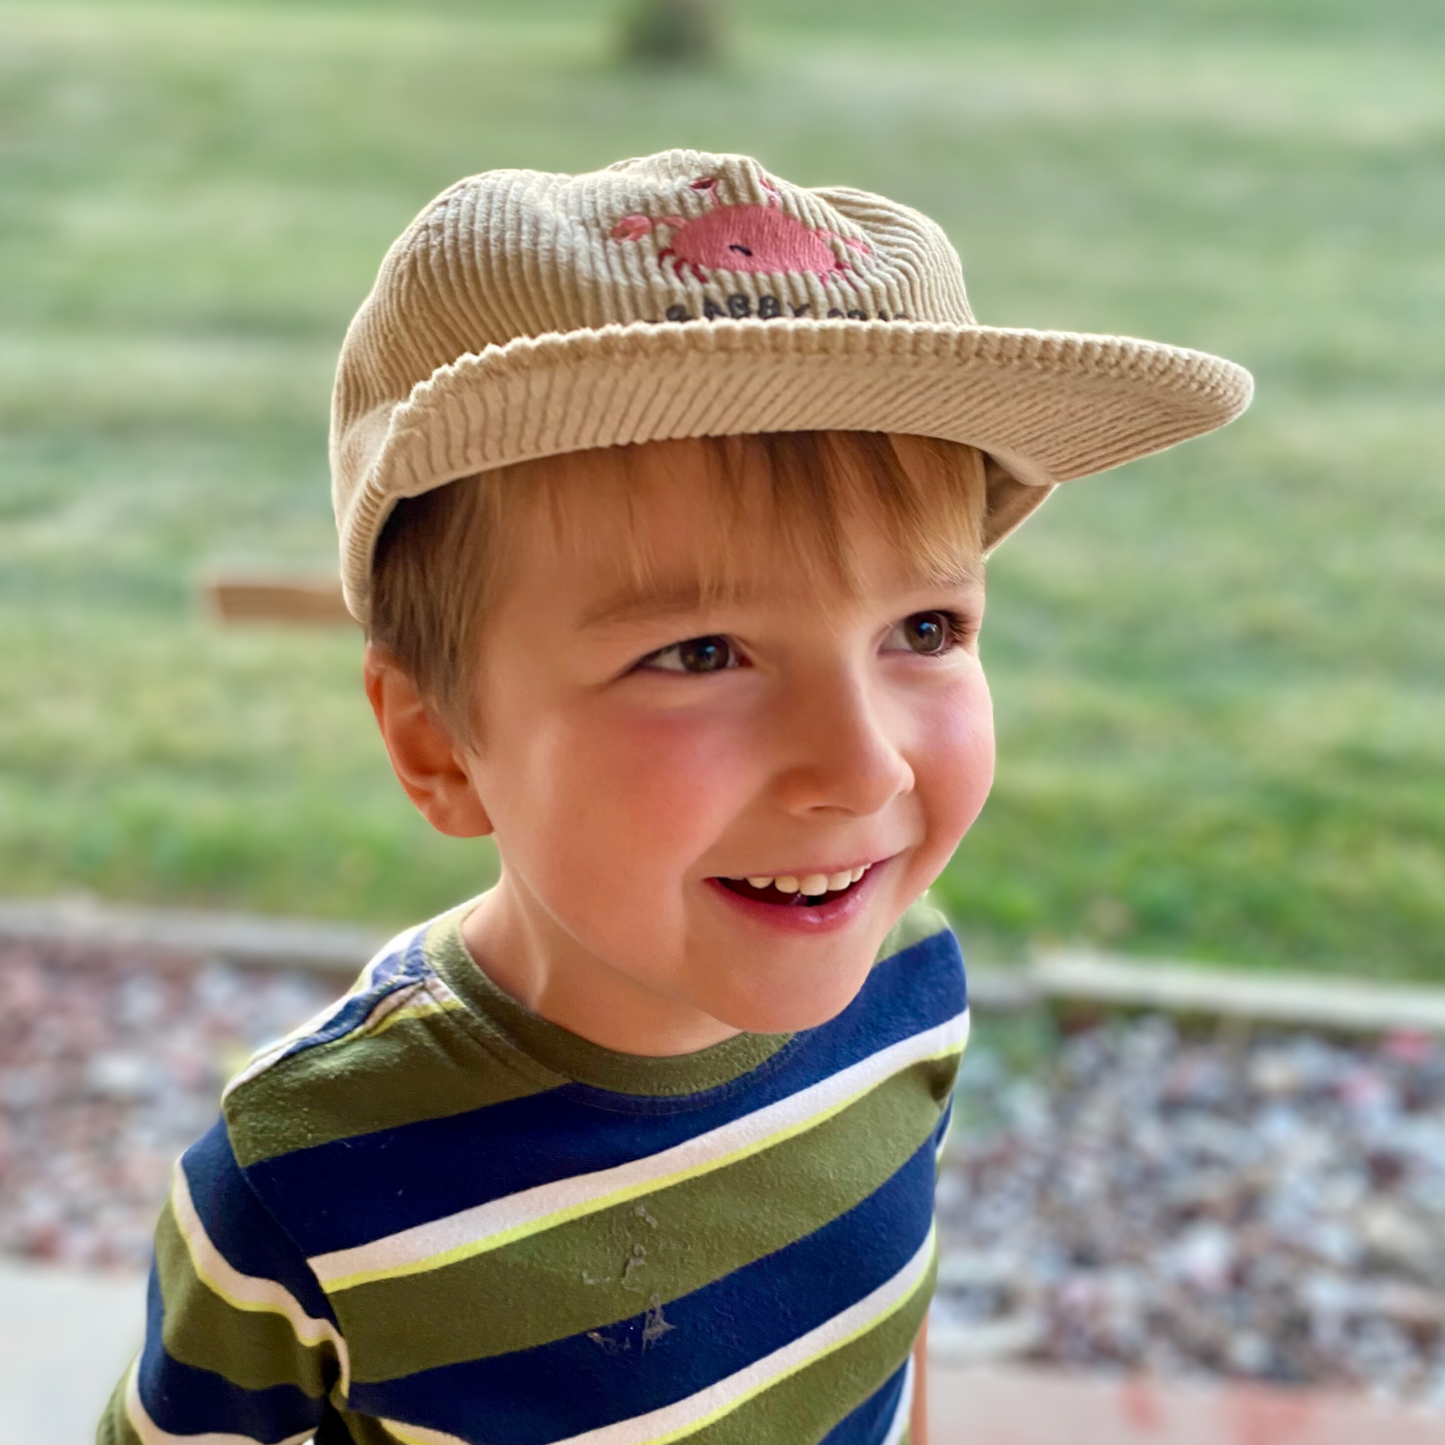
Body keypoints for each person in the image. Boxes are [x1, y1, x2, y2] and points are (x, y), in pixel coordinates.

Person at [99, 149, 1250, 1445]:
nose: (863, 767)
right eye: (699, 654)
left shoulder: (907, 988)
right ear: (436, 742)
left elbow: (878, 1342)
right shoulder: (306, 1185)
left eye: (926, 627)